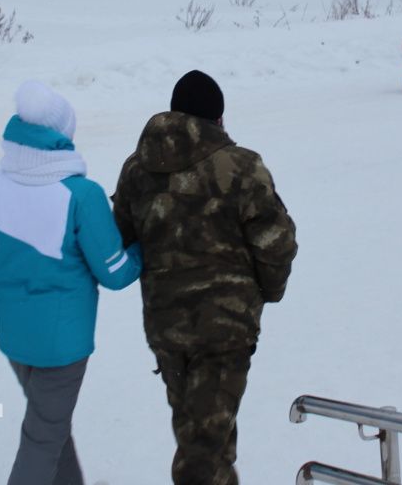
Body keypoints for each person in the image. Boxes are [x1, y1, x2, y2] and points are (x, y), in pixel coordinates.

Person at [0, 81, 141, 485]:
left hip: (16, 342)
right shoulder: (81, 195)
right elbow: (116, 273)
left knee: (49, 426)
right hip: (63, 347)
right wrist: (146, 244)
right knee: (43, 437)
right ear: (63, 135)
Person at [112, 70, 298, 485]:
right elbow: (276, 242)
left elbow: (121, 237)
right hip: (225, 328)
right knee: (202, 450)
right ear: (217, 119)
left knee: (205, 435)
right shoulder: (241, 167)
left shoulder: (137, 170)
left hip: (167, 329)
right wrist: (269, 291)